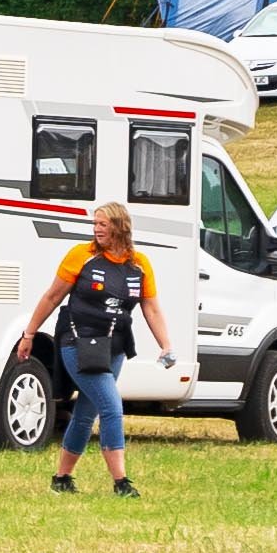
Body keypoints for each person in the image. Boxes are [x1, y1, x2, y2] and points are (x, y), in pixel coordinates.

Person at [16, 199, 174, 499]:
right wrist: (29, 334)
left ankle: (61, 478)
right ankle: (121, 481)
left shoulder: (138, 263)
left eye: (103, 224)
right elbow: (51, 297)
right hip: (77, 341)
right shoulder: (82, 256)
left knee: (87, 411)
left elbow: (151, 308)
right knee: (112, 406)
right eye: (95, 224)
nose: (97, 229)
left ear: (119, 226)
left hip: (113, 345)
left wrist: (166, 344)